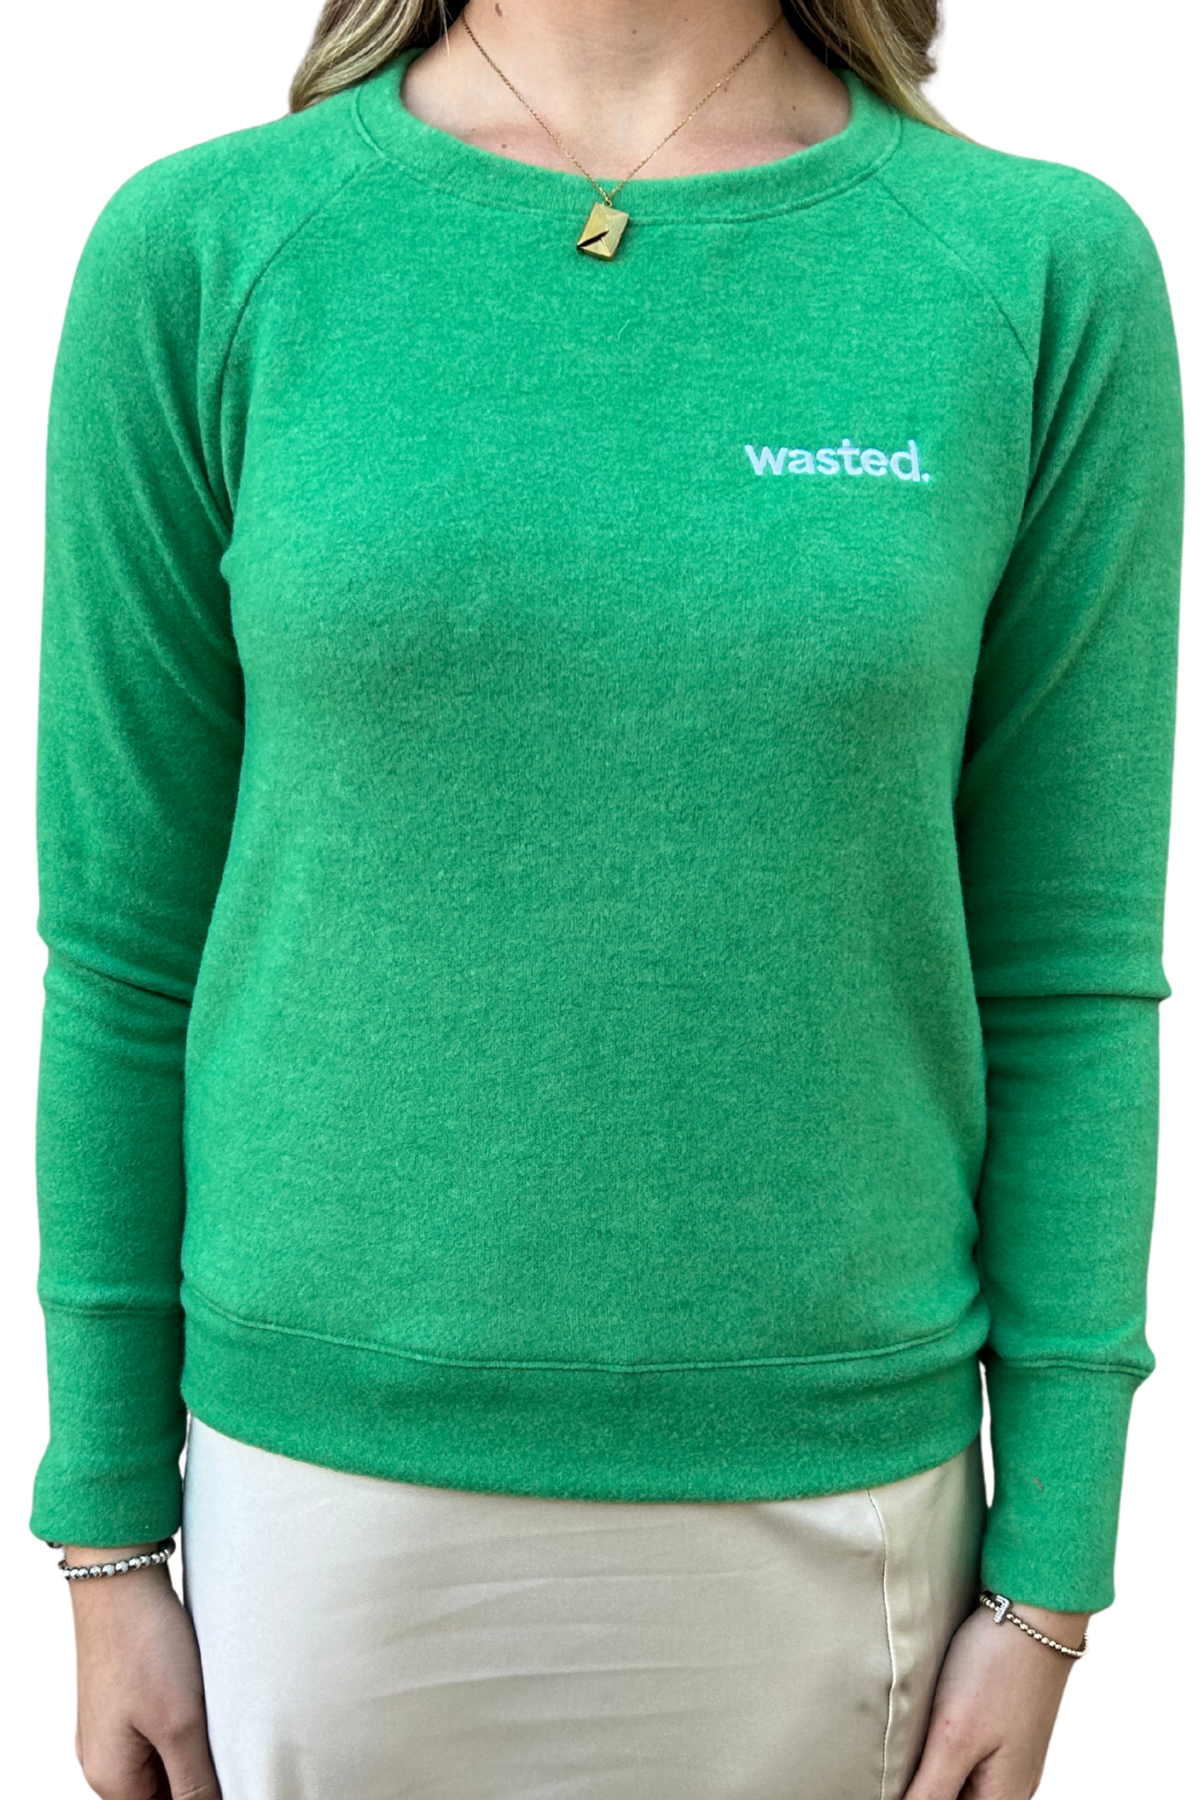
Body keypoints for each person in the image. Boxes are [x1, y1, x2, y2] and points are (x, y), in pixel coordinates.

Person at [29, 1, 1183, 1797]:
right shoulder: (207, 251)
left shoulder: (1031, 272)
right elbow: (120, 949)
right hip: (320, 1499)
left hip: (835, 1498)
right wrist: (105, 1536)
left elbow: (1068, 975)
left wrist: (1054, 1576)